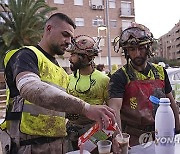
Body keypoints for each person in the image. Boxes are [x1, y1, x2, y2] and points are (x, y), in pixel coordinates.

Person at [1, 13, 116, 154]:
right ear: (48, 28)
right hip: (28, 146)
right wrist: (86, 108)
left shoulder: (61, 72)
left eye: (71, 38)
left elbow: (60, 109)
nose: (68, 41)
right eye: (65, 34)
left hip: (58, 146)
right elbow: (29, 88)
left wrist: (94, 126)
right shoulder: (26, 55)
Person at [108, 23, 180, 150]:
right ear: (127, 52)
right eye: (132, 49)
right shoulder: (120, 76)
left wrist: (178, 128)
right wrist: (118, 138)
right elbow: (114, 110)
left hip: (161, 134)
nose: (137, 53)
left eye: (141, 48)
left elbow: (171, 102)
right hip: (133, 138)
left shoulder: (160, 72)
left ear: (148, 48)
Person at [66, 35, 110, 151]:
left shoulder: (104, 80)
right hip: (71, 134)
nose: (70, 59)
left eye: (73, 55)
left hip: (96, 133)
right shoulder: (68, 79)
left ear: (85, 57)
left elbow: (112, 112)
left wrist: (103, 138)